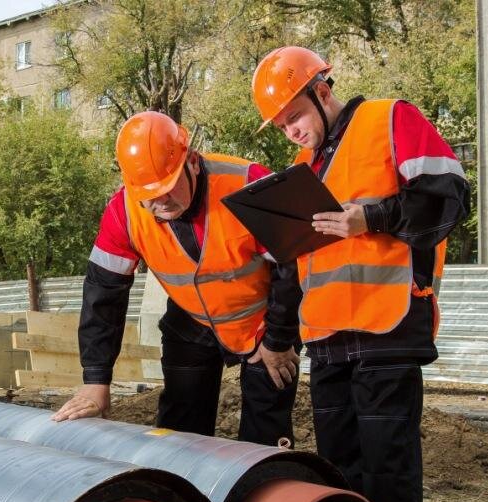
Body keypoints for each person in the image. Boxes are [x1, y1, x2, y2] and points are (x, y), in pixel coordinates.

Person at [251, 46, 471, 502]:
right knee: (341, 467)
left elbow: (448, 196)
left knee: (387, 465)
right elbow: (291, 268)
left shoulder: (389, 119)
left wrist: (367, 218)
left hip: (386, 327)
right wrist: (277, 338)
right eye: (281, 126)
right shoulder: (303, 171)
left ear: (322, 91)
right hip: (327, 339)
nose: (292, 131)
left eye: (295, 117)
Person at [52, 110, 302, 447]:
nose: (160, 201)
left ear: (193, 162)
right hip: (191, 320)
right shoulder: (123, 212)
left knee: (264, 436)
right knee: (180, 433)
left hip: (264, 321)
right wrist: (96, 380)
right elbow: (103, 295)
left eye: (168, 187)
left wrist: (279, 340)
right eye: (149, 195)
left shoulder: (249, 183)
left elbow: (296, 265)